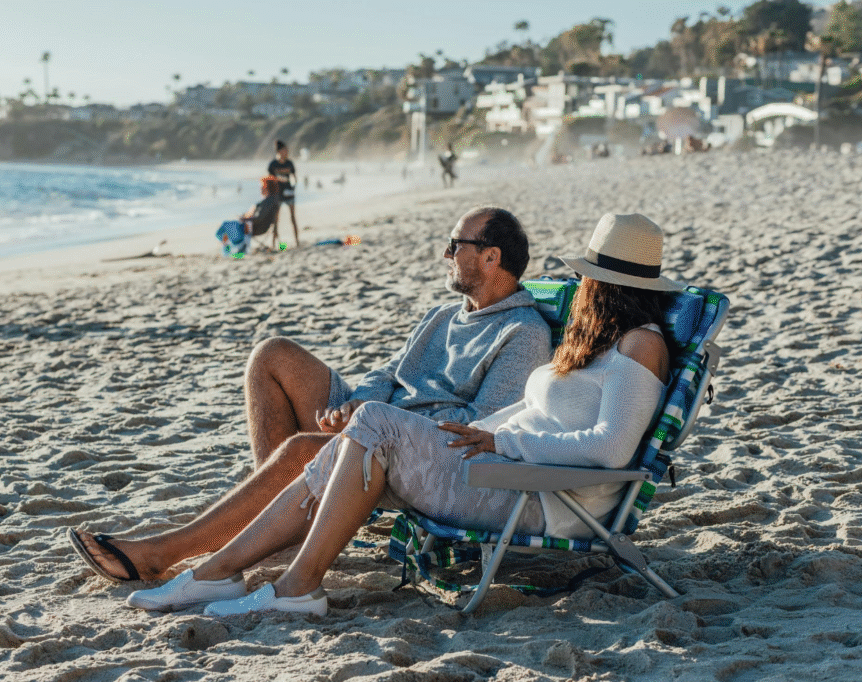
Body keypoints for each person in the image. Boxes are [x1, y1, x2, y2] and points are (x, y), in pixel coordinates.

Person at [122, 212, 684, 616]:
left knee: (372, 425)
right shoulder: (598, 346)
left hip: (541, 496)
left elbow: (611, 448)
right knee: (361, 427)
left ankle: (289, 583)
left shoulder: (642, 344)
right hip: (504, 473)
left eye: (586, 275)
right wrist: (479, 433)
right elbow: (522, 411)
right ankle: (218, 572)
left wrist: (501, 445)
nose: (579, 284)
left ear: (606, 284)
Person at [69, 206, 553, 583]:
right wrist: (356, 403)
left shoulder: (523, 331)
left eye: (455, 245)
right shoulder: (444, 315)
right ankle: (278, 520)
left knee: (302, 451)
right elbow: (388, 371)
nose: (446, 255)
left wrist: (381, 420)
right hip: (381, 422)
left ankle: (160, 556)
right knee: (272, 355)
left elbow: (482, 425)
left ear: (491, 257)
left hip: (413, 448)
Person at [215, 176, 281, 258]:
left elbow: (259, 218)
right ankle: (229, 248)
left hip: (255, 227)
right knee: (225, 227)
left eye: (261, 186)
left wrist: (244, 219)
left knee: (225, 226)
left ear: (266, 187)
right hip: (257, 226)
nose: (260, 189)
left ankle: (230, 250)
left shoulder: (268, 202)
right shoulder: (272, 200)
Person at [267, 140, 299, 249]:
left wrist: (293, 186)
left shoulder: (290, 163)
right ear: (279, 151)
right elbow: (269, 180)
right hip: (277, 194)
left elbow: (294, 178)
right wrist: (277, 179)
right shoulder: (273, 165)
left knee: (293, 218)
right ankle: (274, 244)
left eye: (287, 150)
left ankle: (297, 242)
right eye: (285, 150)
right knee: (276, 219)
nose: (287, 152)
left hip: (289, 193)